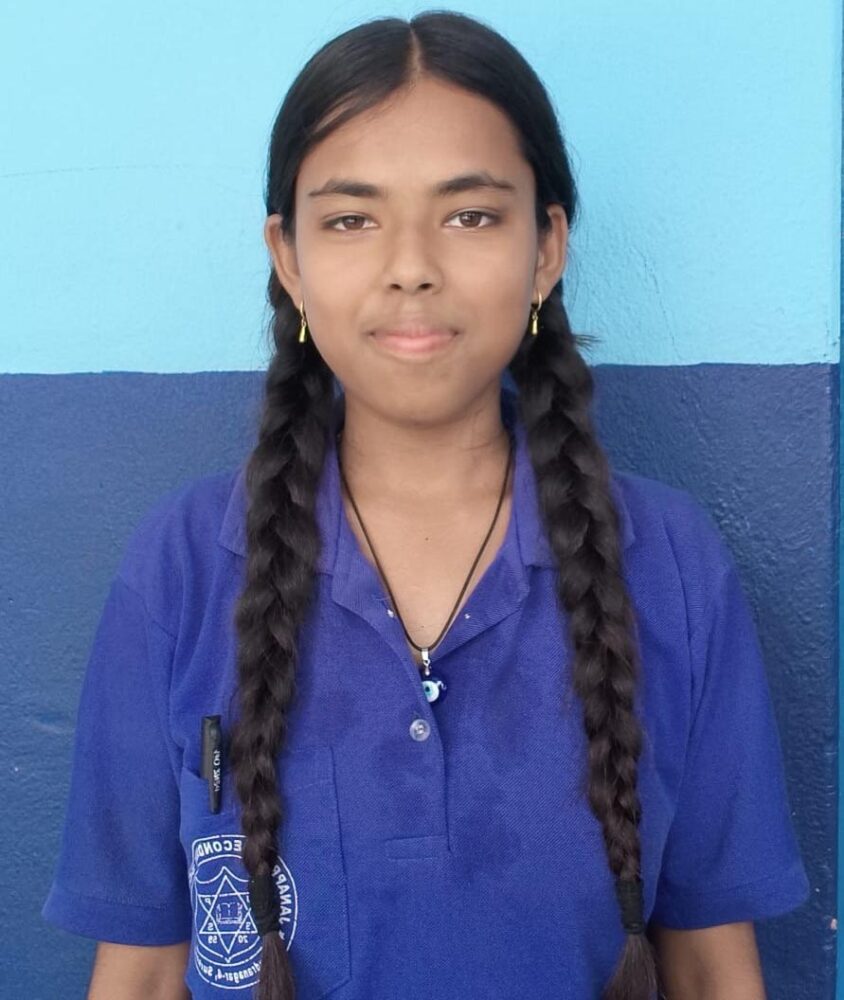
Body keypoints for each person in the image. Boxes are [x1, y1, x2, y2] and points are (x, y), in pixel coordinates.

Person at [42, 11, 810, 1000]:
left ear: (546, 248)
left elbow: (711, 968)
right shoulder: (182, 566)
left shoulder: (669, 563)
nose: (411, 265)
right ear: (288, 258)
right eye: (351, 219)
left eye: (470, 215)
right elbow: (143, 972)